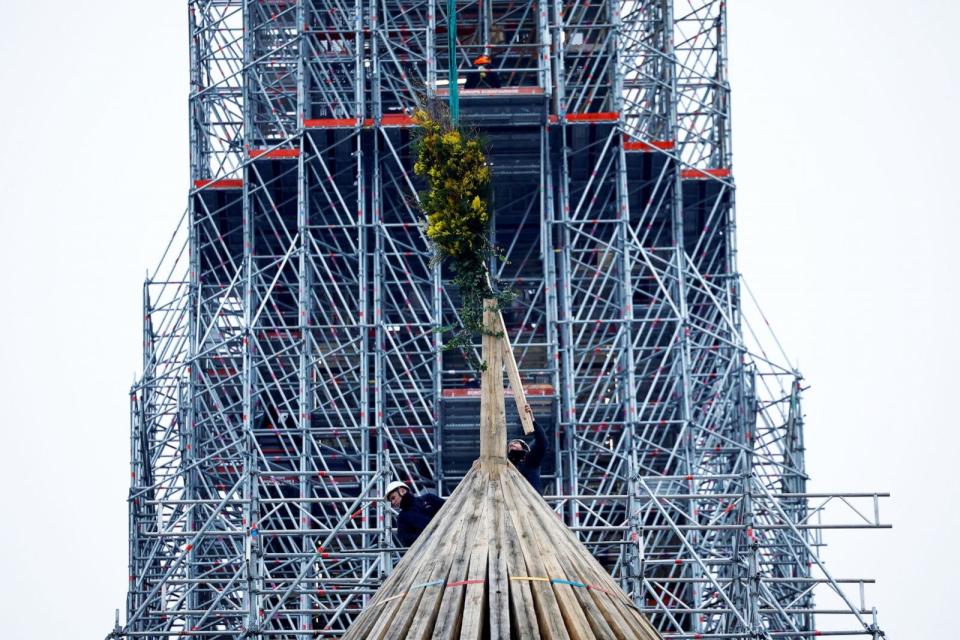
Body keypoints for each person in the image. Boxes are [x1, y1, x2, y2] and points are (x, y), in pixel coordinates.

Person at [384, 480, 445, 547]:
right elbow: (406, 540)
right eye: (391, 500)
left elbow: (449, 509)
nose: (392, 502)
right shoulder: (402, 519)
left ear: (402, 491)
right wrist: (430, 537)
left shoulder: (429, 499)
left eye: (393, 498)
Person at [507, 405, 548, 493]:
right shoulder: (505, 465)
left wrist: (532, 421)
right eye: (510, 445)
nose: (512, 444)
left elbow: (542, 443)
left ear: (523, 448)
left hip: (532, 501)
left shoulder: (530, 460)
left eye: (516, 442)